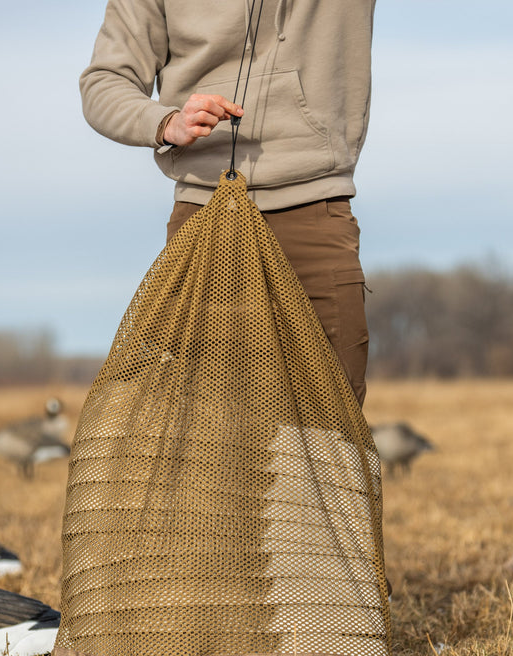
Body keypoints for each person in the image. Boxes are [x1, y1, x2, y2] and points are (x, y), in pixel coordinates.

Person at [79, 0, 377, 404]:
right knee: (209, 435)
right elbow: (104, 82)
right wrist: (166, 123)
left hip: (316, 212)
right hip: (203, 216)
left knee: (329, 436)